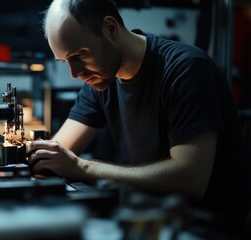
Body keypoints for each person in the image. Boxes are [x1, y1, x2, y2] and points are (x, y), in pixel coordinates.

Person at [26, 0, 251, 235]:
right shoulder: (99, 81)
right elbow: (57, 152)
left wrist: (81, 167)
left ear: (111, 29)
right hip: (148, 218)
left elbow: (190, 179)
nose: (74, 73)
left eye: (80, 55)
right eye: (65, 61)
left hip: (204, 227)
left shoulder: (185, 70)